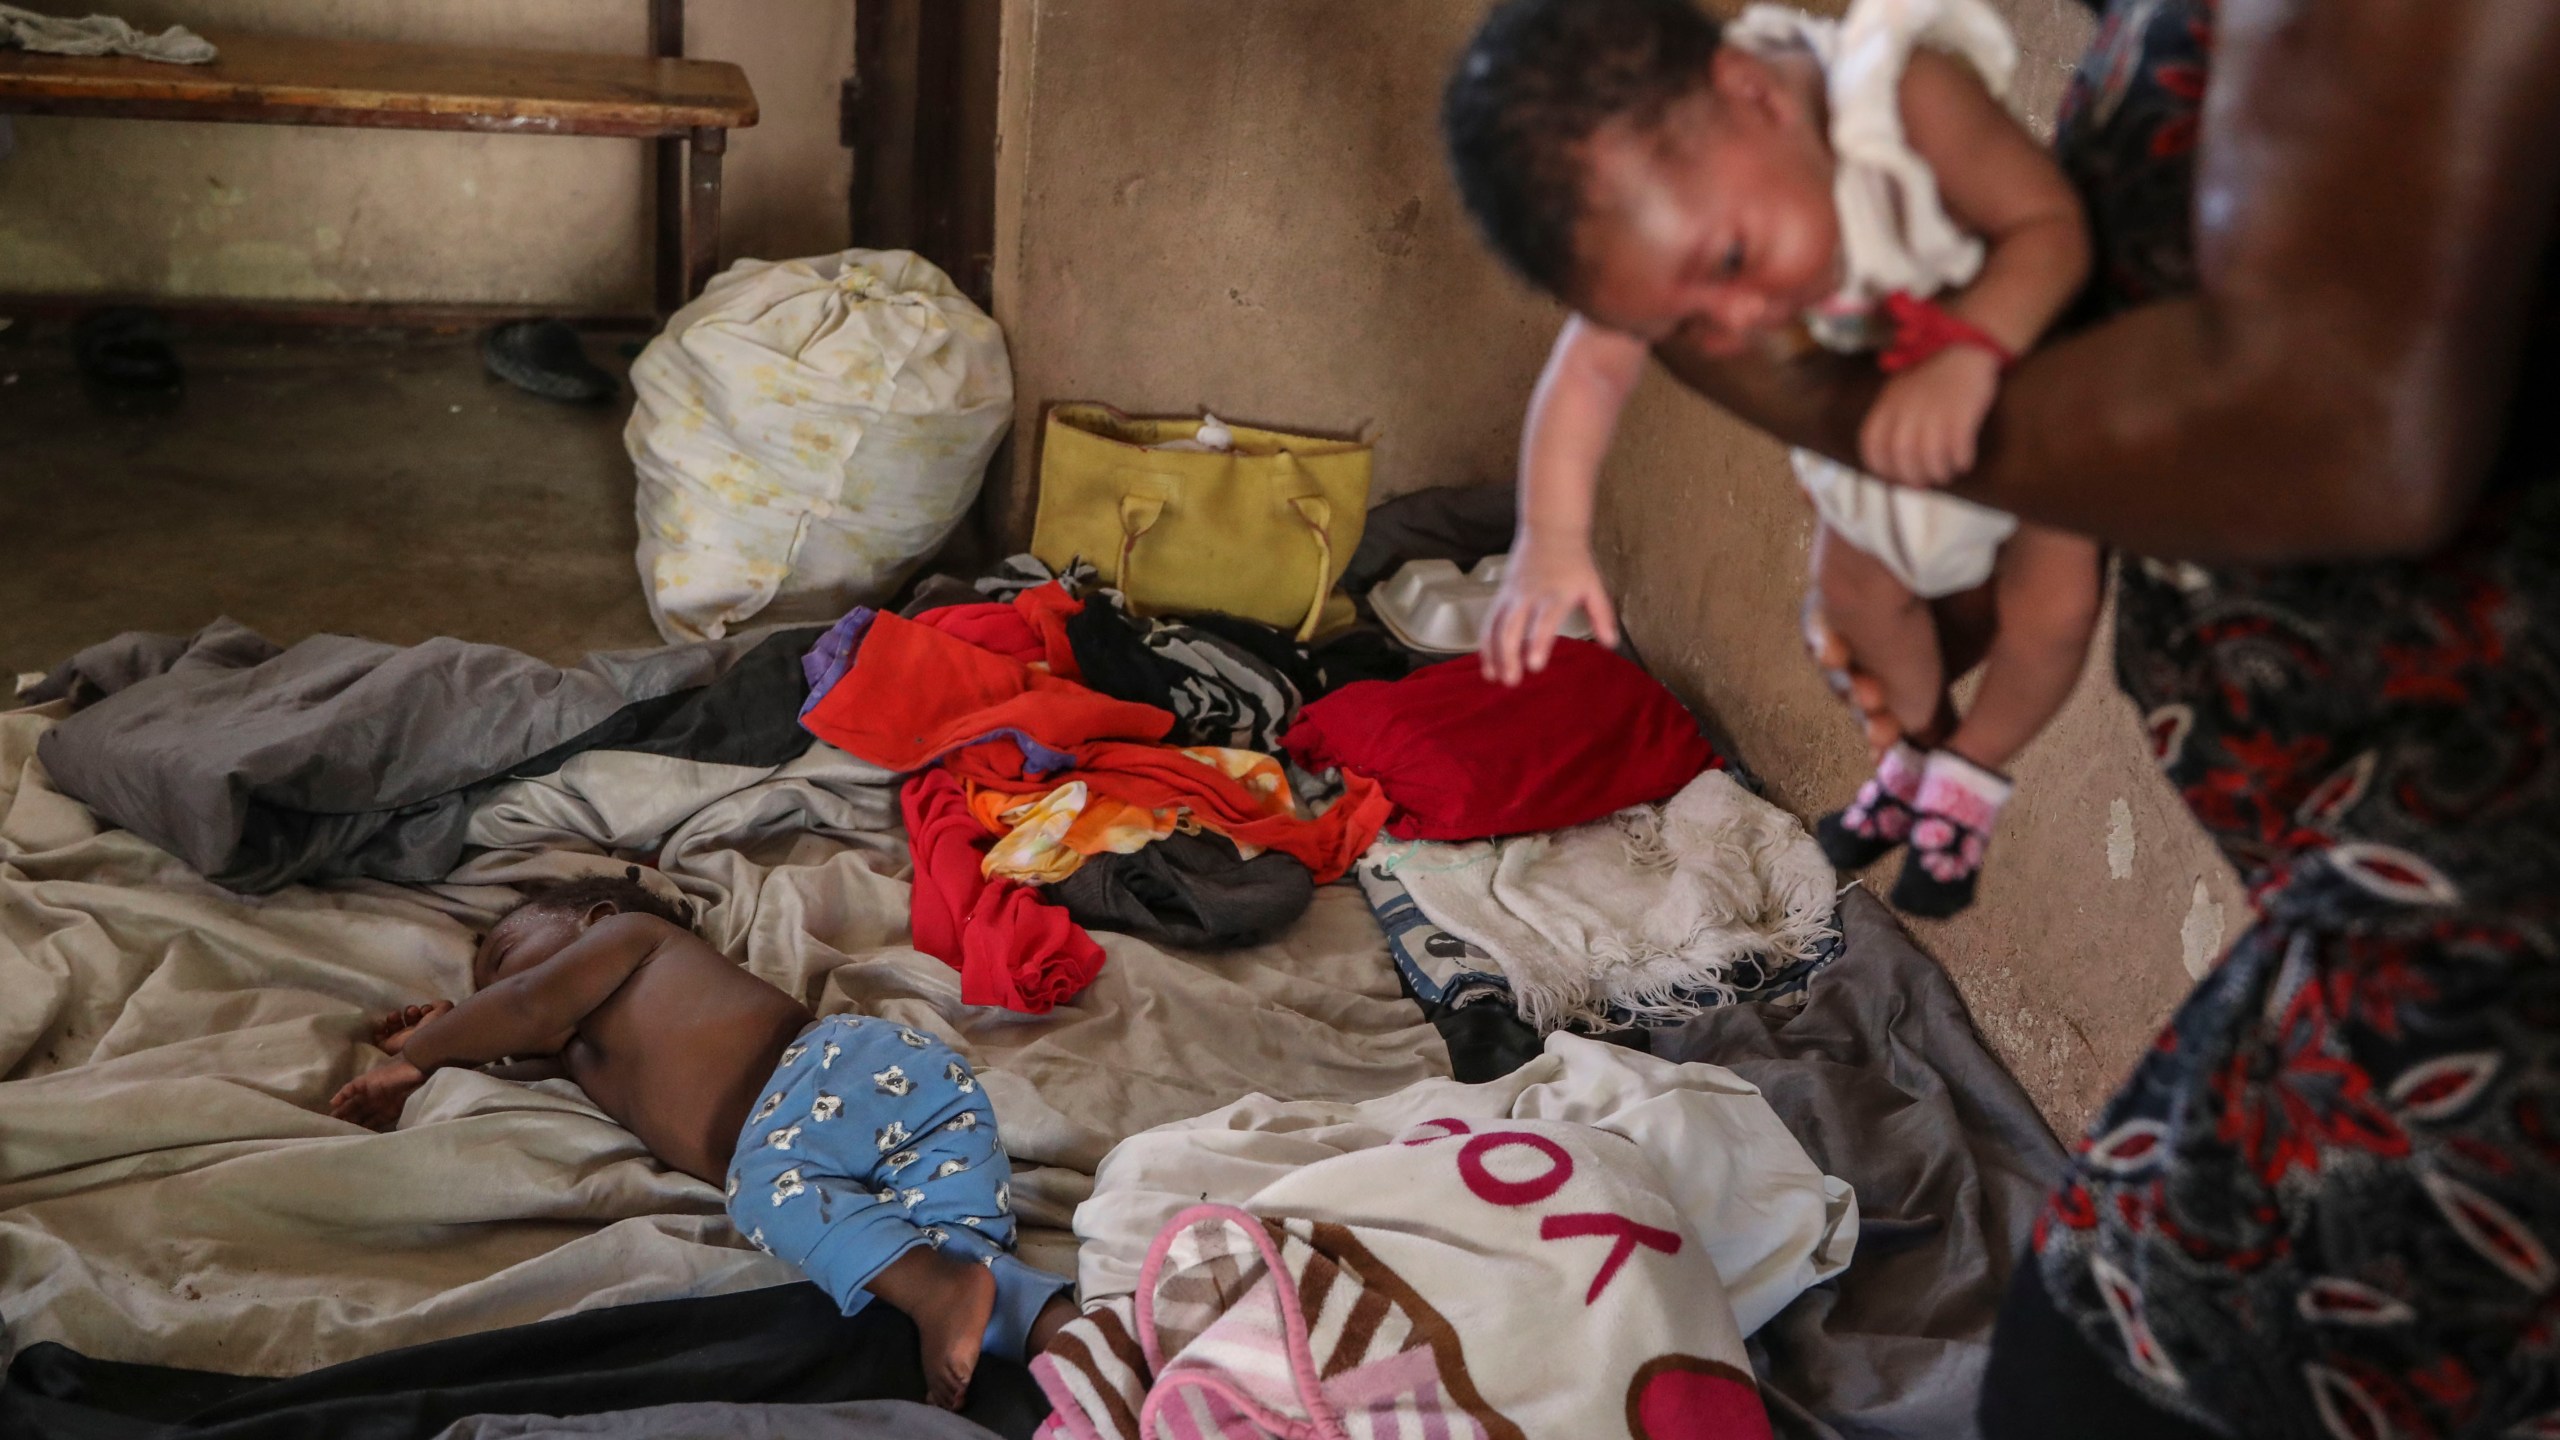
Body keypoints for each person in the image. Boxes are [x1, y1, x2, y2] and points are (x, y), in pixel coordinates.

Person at [1551, 0, 2560, 1433]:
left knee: (2101, 1384)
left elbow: (2344, 416)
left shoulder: (1885, 86)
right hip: (2401, 861)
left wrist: (1839, 411)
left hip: (2485, 900)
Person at [1445, 0, 2101, 916]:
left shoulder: (1904, 96)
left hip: (2035, 404)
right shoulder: (1677, 217)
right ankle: (1915, 750)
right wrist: (1551, 536)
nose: (1743, 322)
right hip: (1879, 444)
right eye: (1687, 326)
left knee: (2054, 614)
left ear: (1752, 91)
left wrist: (1970, 351)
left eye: (1733, 260)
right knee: (1852, 605)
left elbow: (2050, 228)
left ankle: (1971, 774)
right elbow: (1587, 370)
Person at [329, 875, 1075, 1412]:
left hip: (825, 1076)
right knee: (963, 1257)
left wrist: (414, 1062)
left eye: (502, 959)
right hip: (895, 1105)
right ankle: (1092, 1351)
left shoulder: (633, 941)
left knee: (761, 1188)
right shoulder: (573, 1051)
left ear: (592, 920)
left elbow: (528, 1004)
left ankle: (940, 1292)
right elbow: (517, 1032)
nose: (498, 987)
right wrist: (442, 1035)